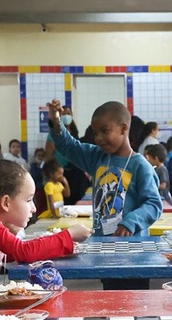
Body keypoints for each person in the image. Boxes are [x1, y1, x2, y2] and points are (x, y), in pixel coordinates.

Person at [0, 159, 90, 292]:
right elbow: (22, 252)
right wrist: (68, 235)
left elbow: (10, 255)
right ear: (6, 203)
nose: (33, 208)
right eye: (28, 200)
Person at [46, 98, 163, 238]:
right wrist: (56, 123)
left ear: (123, 129)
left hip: (132, 245)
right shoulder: (97, 157)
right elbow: (69, 147)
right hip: (101, 241)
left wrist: (130, 222)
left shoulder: (140, 166)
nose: (98, 139)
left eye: (105, 131)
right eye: (95, 133)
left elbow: (153, 204)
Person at [43, 104, 88, 204]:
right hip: (60, 172)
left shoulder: (75, 134)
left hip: (75, 172)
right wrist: (52, 174)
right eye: (64, 114)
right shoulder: (53, 135)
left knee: (76, 197)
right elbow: (49, 156)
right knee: (64, 199)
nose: (66, 116)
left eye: (69, 113)